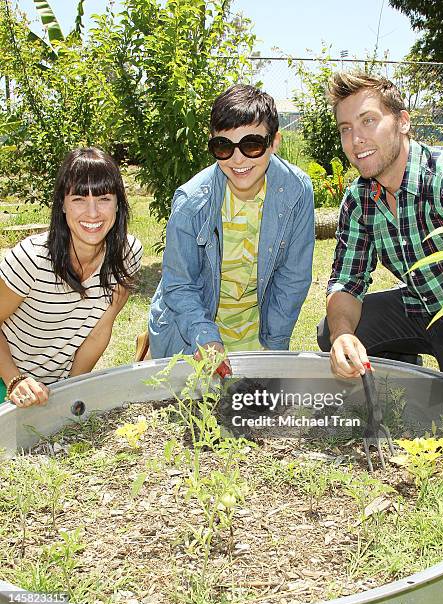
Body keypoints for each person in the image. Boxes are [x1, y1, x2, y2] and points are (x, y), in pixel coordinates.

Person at [317, 72, 443, 380]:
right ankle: (401, 373)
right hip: (420, 306)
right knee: (332, 331)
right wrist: (342, 335)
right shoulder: (360, 198)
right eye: (346, 128)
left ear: (402, 122)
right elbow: (347, 281)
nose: (356, 139)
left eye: (368, 121)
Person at [148, 84, 314, 369]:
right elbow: (179, 285)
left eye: (252, 145)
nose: (238, 159)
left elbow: (292, 278)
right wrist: (206, 338)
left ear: (275, 142)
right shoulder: (191, 202)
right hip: (192, 332)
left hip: (255, 332)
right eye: (223, 146)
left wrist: (273, 347)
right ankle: (151, 347)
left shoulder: (296, 191)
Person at [0, 147, 143, 407]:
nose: (92, 213)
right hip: (6, 375)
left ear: (118, 204)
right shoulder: (31, 258)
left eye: (104, 198)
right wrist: (15, 380)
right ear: (63, 206)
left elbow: (100, 328)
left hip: (52, 386)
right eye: (78, 199)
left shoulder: (127, 254)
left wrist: (70, 391)